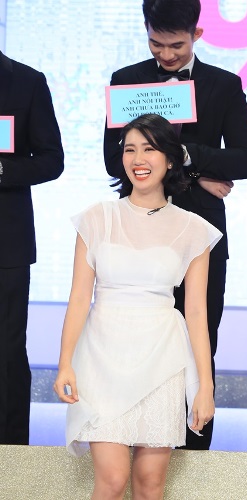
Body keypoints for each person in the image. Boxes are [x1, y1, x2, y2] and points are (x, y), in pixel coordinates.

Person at [103, 0, 247, 449]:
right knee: (135, 342)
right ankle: (133, 445)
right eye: (156, 44)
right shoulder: (127, 80)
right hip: (137, 234)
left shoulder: (223, 85)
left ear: (198, 34)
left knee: (199, 341)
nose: (167, 55)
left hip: (199, 234)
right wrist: (195, 175)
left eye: (177, 45)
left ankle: (195, 457)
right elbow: (113, 160)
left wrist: (188, 157)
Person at [54, 114, 220, 498]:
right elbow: (79, 298)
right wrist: (65, 363)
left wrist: (205, 386)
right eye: (130, 149)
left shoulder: (193, 229)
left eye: (149, 149)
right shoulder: (97, 218)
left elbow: (197, 313)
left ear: (171, 159)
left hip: (161, 358)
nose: (138, 159)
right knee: (112, 480)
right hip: (101, 356)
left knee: (149, 484)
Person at [0, 51, 64, 445]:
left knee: (6, 349)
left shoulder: (27, 81)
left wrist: (2, 169)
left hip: (6, 242)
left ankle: (10, 455)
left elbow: (52, 159)